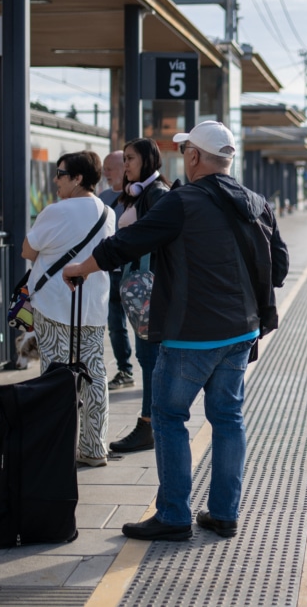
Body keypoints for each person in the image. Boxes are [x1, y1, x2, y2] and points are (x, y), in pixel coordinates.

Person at [62, 121, 288, 542]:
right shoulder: (258, 202)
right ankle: (223, 514)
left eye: (186, 151)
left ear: (196, 156)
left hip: (190, 335)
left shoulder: (182, 202)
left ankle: (173, 515)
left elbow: (127, 243)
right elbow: (281, 267)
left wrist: (79, 268)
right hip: (241, 333)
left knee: (168, 417)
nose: (183, 156)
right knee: (228, 419)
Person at [23, 151, 116, 467]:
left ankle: (57, 446)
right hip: (92, 307)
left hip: (54, 304)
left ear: (78, 178)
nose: (55, 179)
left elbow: (27, 250)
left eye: (60, 173)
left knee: (55, 375)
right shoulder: (107, 212)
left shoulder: (55, 211)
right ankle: (94, 448)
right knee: (94, 375)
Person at [108, 138, 172, 454]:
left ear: (147, 160)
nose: (126, 165)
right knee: (148, 358)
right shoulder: (143, 194)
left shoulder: (156, 194)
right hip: (142, 288)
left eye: (131, 158)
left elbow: (155, 238)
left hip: (151, 288)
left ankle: (149, 423)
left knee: (150, 358)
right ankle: (152, 422)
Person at [98, 151, 134, 391]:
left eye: (109, 168)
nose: (105, 173)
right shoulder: (103, 197)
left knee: (145, 326)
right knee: (115, 324)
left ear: (124, 168)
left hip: (134, 271)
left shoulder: (140, 197)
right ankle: (125, 370)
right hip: (110, 272)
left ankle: (152, 370)